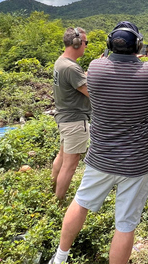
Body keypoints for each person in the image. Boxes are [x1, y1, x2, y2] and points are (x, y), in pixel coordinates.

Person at [49, 21, 148, 264]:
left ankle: (59, 258)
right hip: (136, 164)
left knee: (80, 203)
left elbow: (102, 70)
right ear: (139, 46)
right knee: (125, 225)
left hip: (101, 158)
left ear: (108, 45)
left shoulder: (95, 67)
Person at [51, 27, 90, 201]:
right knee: (71, 165)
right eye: (85, 43)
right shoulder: (71, 68)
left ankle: (53, 191)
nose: (86, 46)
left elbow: (78, 81)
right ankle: (58, 202)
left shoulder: (62, 62)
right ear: (76, 43)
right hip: (74, 121)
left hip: (64, 118)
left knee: (62, 156)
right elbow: (92, 92)